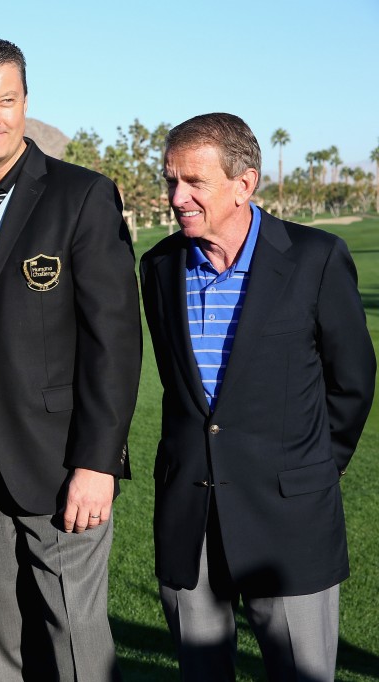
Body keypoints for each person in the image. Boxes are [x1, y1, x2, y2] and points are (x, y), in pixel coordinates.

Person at [0, 38, 142, 680]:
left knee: (74, 635)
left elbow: (115, 342)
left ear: (26, 103)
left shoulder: (82, 196)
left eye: (7, 101)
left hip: (60, 461)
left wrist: (98, 462)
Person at [140, 112, 375, 681]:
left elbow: (353, 380)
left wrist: (314, 466)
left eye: (195, 182)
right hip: (189, 516)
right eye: (172, 180)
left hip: (288, 519)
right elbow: (179, 388)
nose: (177, 197)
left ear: (245, 184)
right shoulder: (158, 266)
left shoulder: (316, 258)